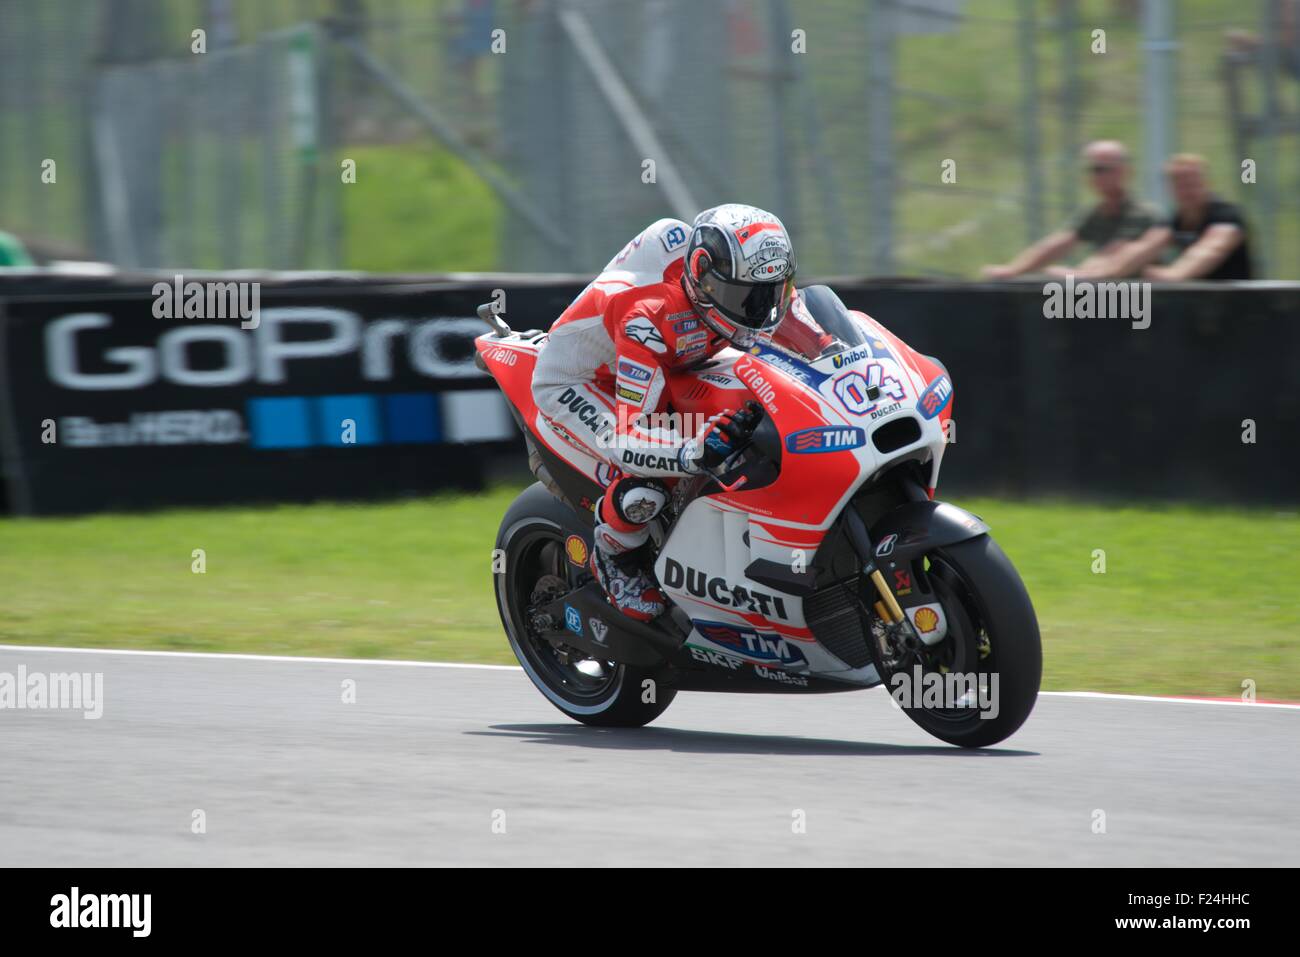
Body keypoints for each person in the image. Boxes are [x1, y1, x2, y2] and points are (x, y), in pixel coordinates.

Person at [531, 204, 807, 622]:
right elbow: (627, 439)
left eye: (770, 294)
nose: (759, 312)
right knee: (647, 485)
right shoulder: (648, 318)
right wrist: (692, 452)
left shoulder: (733, 283)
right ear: (703, 281)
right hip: (582, 382)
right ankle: (613, 555)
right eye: (744, 298)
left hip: (672, 363)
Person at [982, 140, 1160, 279]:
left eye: (1102, 169)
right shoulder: (1096, 212)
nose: (1095, 176)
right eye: (1091, 170)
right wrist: (1014, 270)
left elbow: (1117, 252)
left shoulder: (1142, 213)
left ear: (1124, 172)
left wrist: (1079, 274)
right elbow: (1060, 243)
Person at [1103, 154, 1254, 281]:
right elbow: (1142, 248)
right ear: (1170, 189)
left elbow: (1211, 249)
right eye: (1180, 184)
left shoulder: (1226, 216)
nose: (1187, 190)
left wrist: (1174, 273)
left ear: (1206, 183)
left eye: (1192, 183)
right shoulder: (1176, 220)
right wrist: (1099, 273)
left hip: (1241, 308)